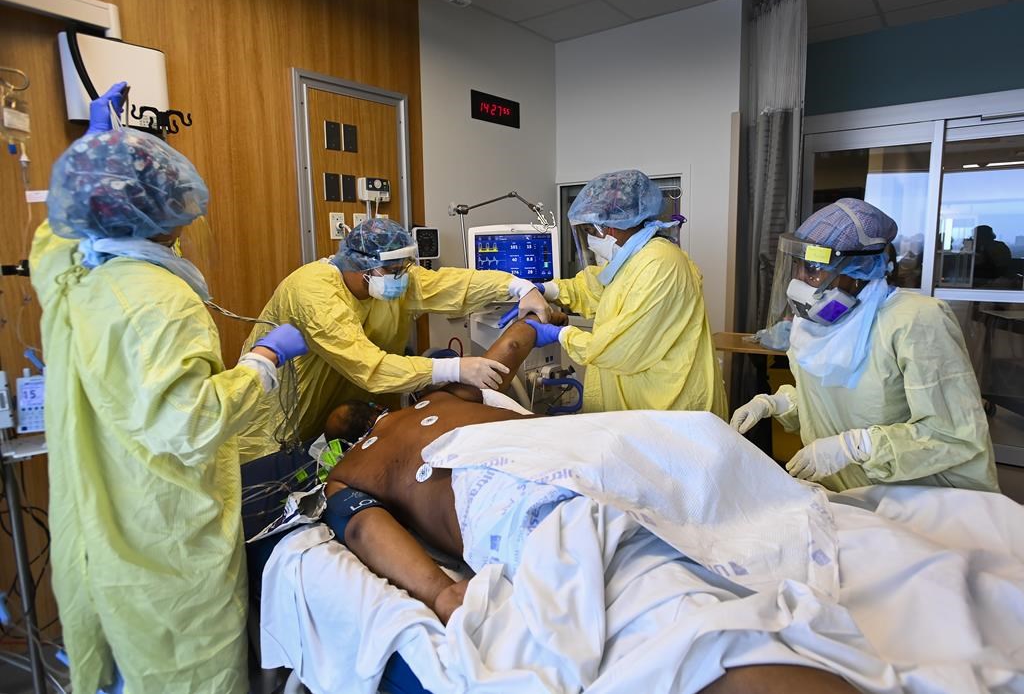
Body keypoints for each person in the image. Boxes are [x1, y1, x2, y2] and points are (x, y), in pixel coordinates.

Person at [312, 316, 857, 694]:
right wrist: (531, 320)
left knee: (650, 595)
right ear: (375, 407)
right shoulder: (440, 398)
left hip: (506, 486)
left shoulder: (350, 472)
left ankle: (726, 644)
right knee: (656, 547)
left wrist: (442, 592)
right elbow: (503, 361)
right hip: (575, 455)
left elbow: (360, 526)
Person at [29, 83, 308, 694]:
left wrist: (95, 150)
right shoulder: (161, 301)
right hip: (166, 543)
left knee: (126, 673)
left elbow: (52, 238)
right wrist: (262, 358)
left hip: (101, 528)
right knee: (185, 675)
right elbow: (191, 423)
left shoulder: (75, 278)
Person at [731, 198, 999, 493]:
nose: (801, 281)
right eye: (798, 267)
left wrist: (856, 446)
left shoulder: (916, 321)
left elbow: (953, 434)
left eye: (814, 269)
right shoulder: (810, 327)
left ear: (857, 271)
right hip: (845, 495)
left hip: (918, 500)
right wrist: (777, 403)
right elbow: (829, 399)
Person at [237, 217, 552, 461]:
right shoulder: (314, 292)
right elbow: (369, 368)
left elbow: (453, 284)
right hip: (281, 423)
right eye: (393, 270)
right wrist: (455, 369)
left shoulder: (389, 279)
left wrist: (517, 287)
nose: (402, 276)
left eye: (404, 268)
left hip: (350, 421)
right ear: (361, 265)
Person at [522, 169, 727, 417]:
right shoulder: (632, 259)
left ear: (611, 228)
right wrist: (546, 289)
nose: (589, 240)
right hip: (640, 406)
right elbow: (596, 289)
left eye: (589, 231)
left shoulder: (660, 264)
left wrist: (562, 335)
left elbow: (622, 348)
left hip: (669, 411)